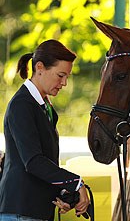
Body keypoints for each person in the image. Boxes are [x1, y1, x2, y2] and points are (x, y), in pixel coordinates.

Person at [0, 40, 90, 221]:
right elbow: (33, 162)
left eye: (67, 77)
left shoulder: (44, 106)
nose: (64, 83)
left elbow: (46, 163)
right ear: (39, 67)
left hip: (35, 211)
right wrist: (76, 183)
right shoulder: (22, 105)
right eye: (60, 75)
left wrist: (63, 194)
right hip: (20, 211)